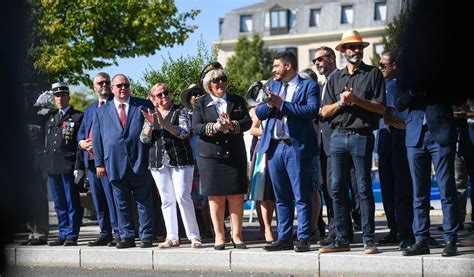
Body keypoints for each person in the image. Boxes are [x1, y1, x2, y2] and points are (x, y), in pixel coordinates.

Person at [320, 30, 385, 254]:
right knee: (336, 189)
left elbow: (380, 107)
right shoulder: (335, 78)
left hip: (361, 136)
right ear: (343, 51)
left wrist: (356, 100)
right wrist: (341, 102)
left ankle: (368, 239)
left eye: (359, 47)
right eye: (351, 47)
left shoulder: (374, 74)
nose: (356, 51)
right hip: (337, 136)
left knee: (363, 189)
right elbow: (324, 111)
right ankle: (341, 239)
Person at [256, 51, 319, 252]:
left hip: (296, 146)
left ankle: (303, 237)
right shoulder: (272, 85)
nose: (274, 70)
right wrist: (269, 103)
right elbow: (258, 112)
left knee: (301, 194)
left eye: (276, 66)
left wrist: (282, 104)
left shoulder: (309, 85)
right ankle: (284, 237)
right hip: (274, 147)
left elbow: (311, 111)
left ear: (288, 66)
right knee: (281, 196)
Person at [395, 72, 459, 257]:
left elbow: (456, 97)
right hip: (415, 136)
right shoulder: (407, 74)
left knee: (447, 189)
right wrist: (413, 92)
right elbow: (399, 103)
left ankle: (450, 239)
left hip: (441, 132)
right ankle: (421, 238)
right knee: (418, 192)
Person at [192, 63, 251, 250]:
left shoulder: (237, 100)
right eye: (216, 80)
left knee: (236, 195)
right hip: (210, 157)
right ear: (209, 84)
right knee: (215, 197)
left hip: (234, 154)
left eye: (223, 79)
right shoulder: (200, 103)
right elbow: (196, 127)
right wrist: (216, 127)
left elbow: (247, 122)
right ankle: (219, 236)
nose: (221, 83)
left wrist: (232, 125)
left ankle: (237, 235)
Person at [92, 74, 155, 249]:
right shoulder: (101, 111)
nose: (122, 88)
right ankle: (126, 236)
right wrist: (99, 163)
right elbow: (97, 140)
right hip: (114, 164)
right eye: (118, 85)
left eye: (126, 84)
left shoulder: (143, 105)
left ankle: (146, 235)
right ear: (112, 88)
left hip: (139, 161)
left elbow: (154, 130)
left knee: (144, 201)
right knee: (121, 203)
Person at [140, 83, 202, 248]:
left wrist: (163, 123)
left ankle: (194, 236)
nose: (163, 96)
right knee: (167, 199)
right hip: (158, 161)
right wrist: (151, 126)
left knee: (182, 196)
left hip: (180, 159)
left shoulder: (179, 110)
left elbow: (184, 132)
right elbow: (143, 139)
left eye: (165, 92)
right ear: (153, 99)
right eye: (159, 95)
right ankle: (172, 237)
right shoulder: (151, 114)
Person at [77, 72, 119, 247]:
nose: (104, 85)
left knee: (112, 198)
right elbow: (81, 131)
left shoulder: (114, 105)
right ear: (94, 87)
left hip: (109, 162)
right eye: (100, 83)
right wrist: (82, 142)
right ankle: (104, 233)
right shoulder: (90, 109)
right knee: (98, 200)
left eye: (106, 82)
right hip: (92, 162)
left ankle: (118, 232)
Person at [41, 82, 84, 246]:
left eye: (62, 95)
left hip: (68, 165)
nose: (59, 98)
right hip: (52, 165)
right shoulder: (50, 116)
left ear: (68, 96)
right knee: (59, 203)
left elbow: (79, 144)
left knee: (71, 201)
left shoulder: (78, 116)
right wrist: (37, 104)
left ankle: (72, 235)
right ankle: (63, 233)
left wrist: (79, 167)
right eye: (56, 96)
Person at [380, 50, 415, 250]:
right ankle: (396, 230)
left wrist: (408, 125)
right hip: (386, 139)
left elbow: (391, 117)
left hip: (399, 138)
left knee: (403, 188)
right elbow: (387, 118)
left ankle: (405, 230)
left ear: (395, 65)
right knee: (388, 189)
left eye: (384, 65)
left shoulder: (397, 86)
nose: (380, 68)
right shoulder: (386, 86)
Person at [19, 87, 51, 246]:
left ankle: (41, 233)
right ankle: (32, 233)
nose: (27, 100)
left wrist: (44, 107)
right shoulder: (21, 116)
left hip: (39, 160)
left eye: (30, 96)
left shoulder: (44, 114)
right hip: (24, 160)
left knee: (38, 196)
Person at [299, 68, 322, 241]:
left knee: (313, 190)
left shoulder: (314, 101)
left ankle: (314, 228)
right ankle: (306, 227)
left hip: (313, 149)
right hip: (298, 149)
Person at [248, 105, 276, 244]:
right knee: (263, 194)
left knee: (279, 194)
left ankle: (283, 229)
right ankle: (267, 229)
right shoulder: (263, 109)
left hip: (285, 148)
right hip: (264, 151)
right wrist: (269, 133)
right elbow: (252, 129)